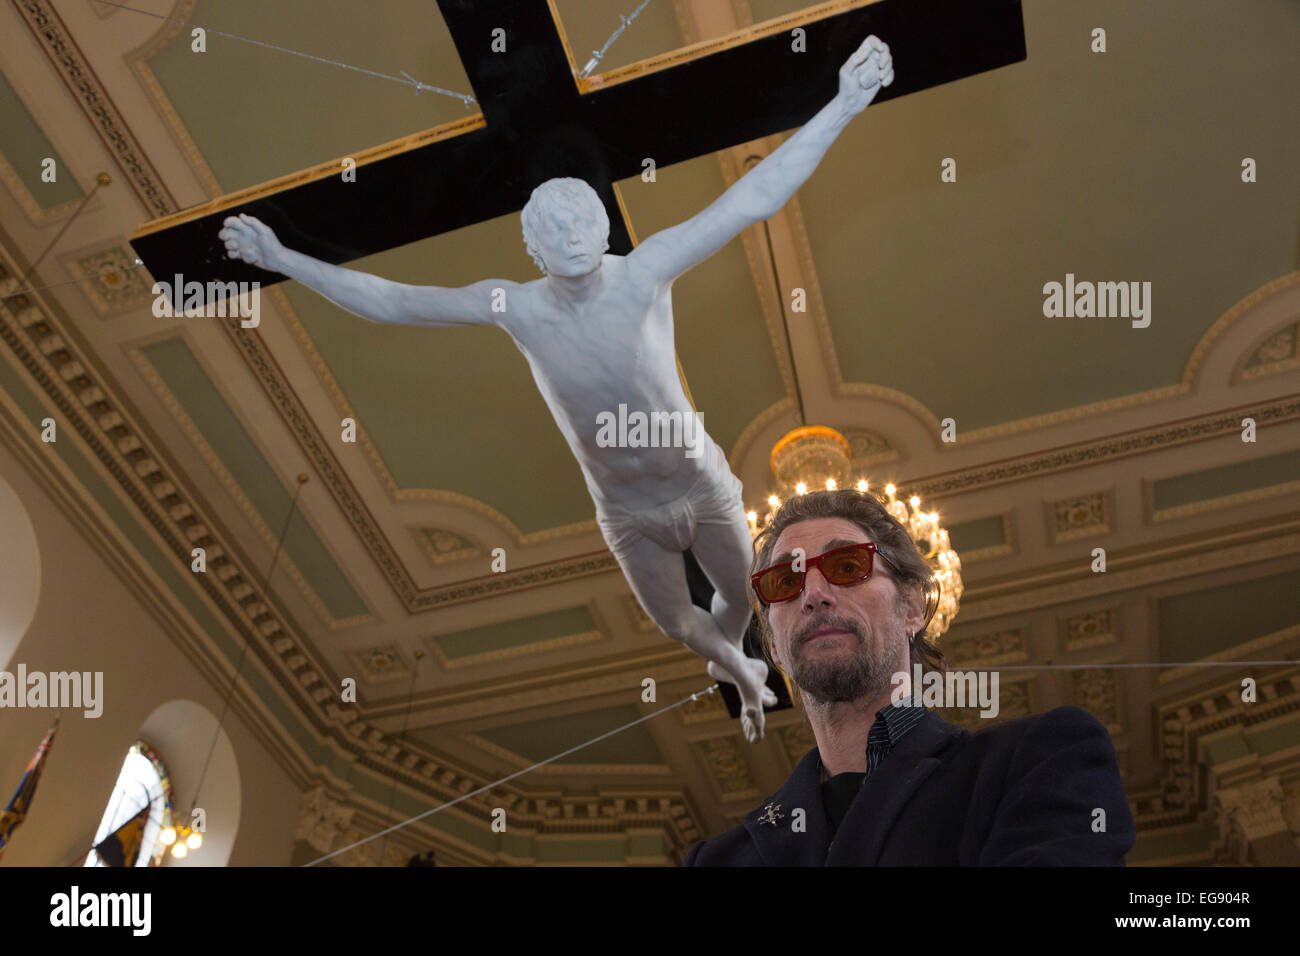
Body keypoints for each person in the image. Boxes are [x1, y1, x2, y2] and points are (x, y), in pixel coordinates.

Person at [218, 37, 896, 742]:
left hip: (697, 484)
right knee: (677, 623)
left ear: (603, 225)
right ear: (532, 247)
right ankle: (734, 665)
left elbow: (753, 196)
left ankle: (739, 660)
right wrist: (283, 258)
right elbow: (393, 300)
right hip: (627, 512)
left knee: (739, 594)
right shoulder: (518, 307)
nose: (570, 235)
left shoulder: (643, 273)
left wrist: (845, 102)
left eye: (580, 220)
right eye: (552, 228)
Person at [683, 489, 1135, 864]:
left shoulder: (1037, 761)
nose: (815, 594)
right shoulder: (719, 860)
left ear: (913, 608)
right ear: (775, 645)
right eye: (785, 581)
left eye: (846, 567)